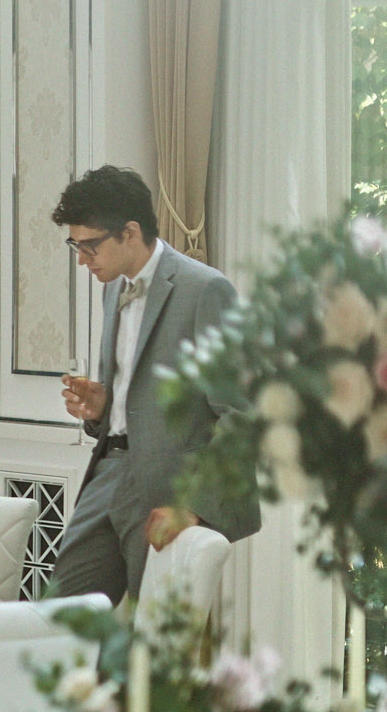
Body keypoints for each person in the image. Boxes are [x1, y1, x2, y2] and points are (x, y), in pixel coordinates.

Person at [51, 166, 260, 604]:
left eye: (89, 246)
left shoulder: (205, 290)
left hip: (169, 486)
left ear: (129, 232)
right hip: (107, 471)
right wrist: (101, 407)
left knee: (156, 629)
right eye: (76, 246)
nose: (81, 259)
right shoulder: (113, 288)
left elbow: (241, 414)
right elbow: (136, 393)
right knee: (59, 612)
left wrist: (194, 507)